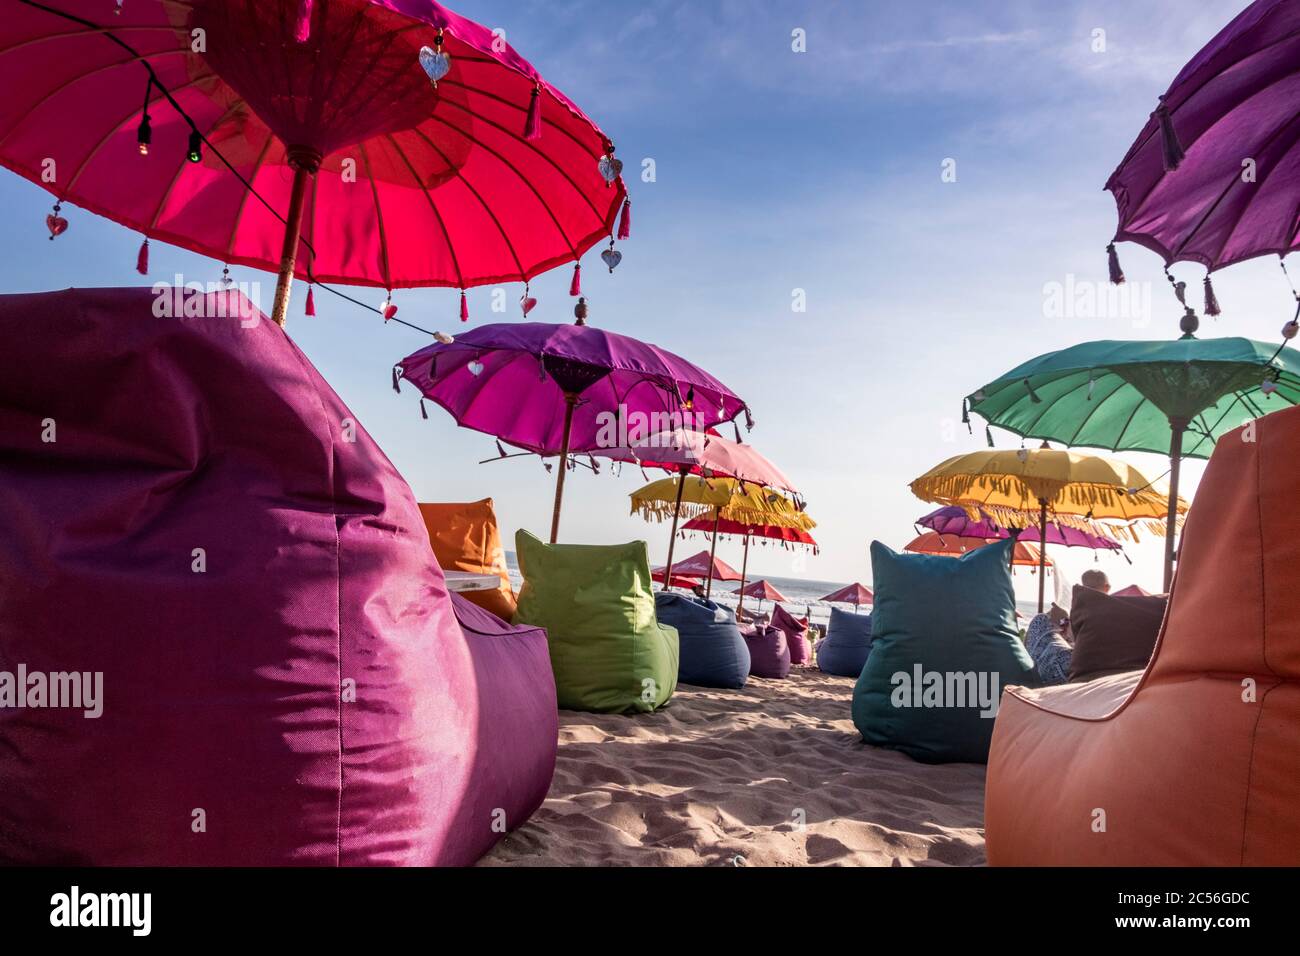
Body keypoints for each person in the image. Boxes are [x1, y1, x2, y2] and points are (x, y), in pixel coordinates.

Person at [1024, 570, 1110, 685]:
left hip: (1076, 671)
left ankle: (1027, 674)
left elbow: (1084, 643)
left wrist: (1063, 620)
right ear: (1107, 587)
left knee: (1040, 620)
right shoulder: (1115, 612)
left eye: (1090, 587)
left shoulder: (1103, 610)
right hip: (1093, 669)